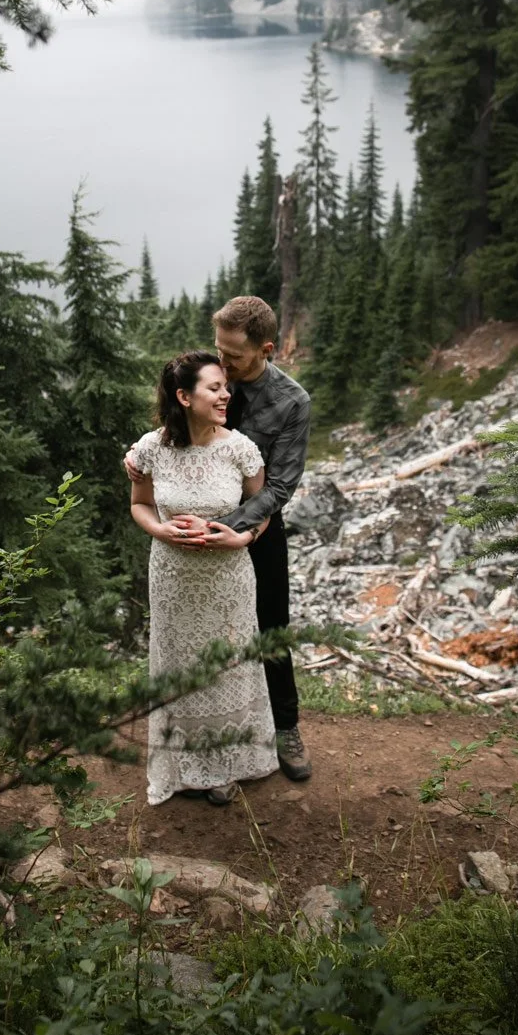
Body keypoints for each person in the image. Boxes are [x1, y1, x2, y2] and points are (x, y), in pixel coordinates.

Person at [127, 296, 312, 782]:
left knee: (270, 628)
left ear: (266, 349)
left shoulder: (291, 402)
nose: (224, 367)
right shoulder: (212, 376)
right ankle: (203, 738)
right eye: (219, 351)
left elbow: (279, 486)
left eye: (233, 357)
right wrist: (137, 455)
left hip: (257, 526)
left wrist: (235, 527)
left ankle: (285, 727)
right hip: (189, 530)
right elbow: (176, 413)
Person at [129, 350, 278, 807]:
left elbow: (264, 507)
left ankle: (222, 768)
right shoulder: (151, 449)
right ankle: (179, 766)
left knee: (225, 665)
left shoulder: (239, 448)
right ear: (184, 396)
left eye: (225, 387)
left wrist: (243, 537)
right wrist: (160, 529)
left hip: (228, 576)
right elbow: (139, 504)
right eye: (214, 388)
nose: (225, 395)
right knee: (179, 664)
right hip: (172, 575)